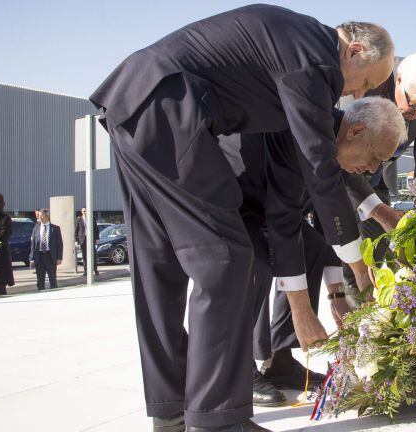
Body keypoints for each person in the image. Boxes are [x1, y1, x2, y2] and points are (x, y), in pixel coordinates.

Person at [91, 5, 393, 431]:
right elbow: (318, 166)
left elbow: (316, 180)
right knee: (227, 258)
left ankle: (171, 413)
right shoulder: (315, 60)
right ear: (355, 50)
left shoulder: (298, 43)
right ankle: (217, 420)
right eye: (365, 82)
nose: (357, 94)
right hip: (171, 106)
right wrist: (358, 264)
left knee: (160, 267)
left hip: (136, 102)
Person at [219, 97, 406, 405]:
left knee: (313, 247)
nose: (374, 169)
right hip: (237, 197)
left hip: (270, 204)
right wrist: (302, 309)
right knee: (255, 261)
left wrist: (338, 295)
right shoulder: (310, 128)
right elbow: (287, 222)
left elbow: (334, 212)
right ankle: (238, 368)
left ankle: (279, 360)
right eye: (374, 158)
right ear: (357, 131)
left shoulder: (338, 138)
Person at [342, 53, 416, 296]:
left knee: (376, 260)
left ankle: (369, 315)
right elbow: (340, 152)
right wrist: (377, 209)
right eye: (415, 106)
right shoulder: (366, 82)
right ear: (398, 80)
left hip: (379, 180)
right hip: (344, 177)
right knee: (349, 257)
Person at [30, 208, 63, 290]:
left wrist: (59, 258)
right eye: (39, 216)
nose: (39, 218)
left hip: (50, 256)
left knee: (52, 279)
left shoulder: (55, 228)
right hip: (39, 256)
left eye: (41, 216)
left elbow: (59, 244)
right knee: (40, 280)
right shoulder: (36, 228)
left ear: (47, 216)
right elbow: (33, 244)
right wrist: (31, 258)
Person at [75, 207, 99, 276]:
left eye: (86, 211)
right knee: (84, 256)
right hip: (83, 239)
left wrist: (97, 239)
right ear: (81, 212)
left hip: (91, 239)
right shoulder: (79, 220)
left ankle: (95, 269)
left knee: (93, 254)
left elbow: (96, 229)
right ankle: (86, 270)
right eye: (83, 211)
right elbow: (76, 231)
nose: (85, 212)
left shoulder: (92, 219)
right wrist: (76, 241)